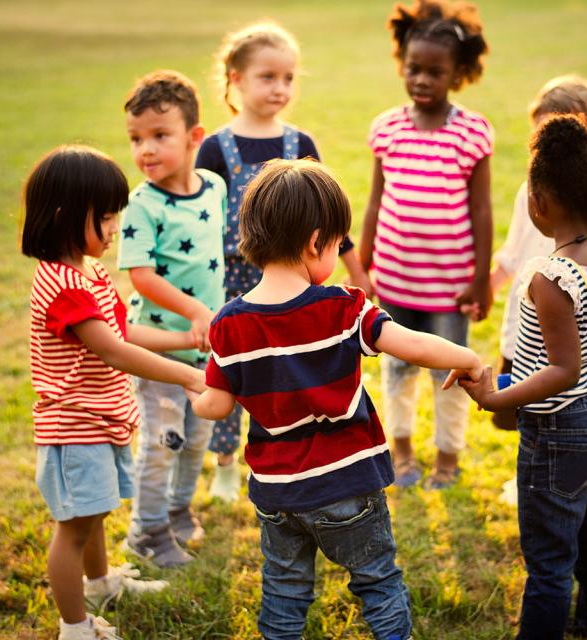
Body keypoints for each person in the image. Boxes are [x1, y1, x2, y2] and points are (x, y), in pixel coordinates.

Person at [191, 159, 482, 640]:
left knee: (284, 590)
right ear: (314, 242)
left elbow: (216, 406)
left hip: (279, 491)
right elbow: (408, 342)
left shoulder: (227, 324)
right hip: (348, 483)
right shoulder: (343, 307)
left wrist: (196, 392)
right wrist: (466, 356)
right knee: (378, 581)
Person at [456, 116, 587, 639]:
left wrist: (495, 396)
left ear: (539, 202)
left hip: (560, 429)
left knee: (549, 559)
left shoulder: (551, 278)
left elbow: (561, 372)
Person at [21, 145, 208, 640]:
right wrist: (187, 375)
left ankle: (101, 583)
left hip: (101, 420)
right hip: (75, 427)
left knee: (95, 512)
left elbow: (127, 334)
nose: (113, 230)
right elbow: (115, 353)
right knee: (75, 526)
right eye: (104, 218)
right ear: (64, 215)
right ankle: (75, 627)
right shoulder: (64, 286)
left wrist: (188, 339)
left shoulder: (89, 273)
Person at [195, 22, 371, 502]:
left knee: (289, 373)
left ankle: (295, 456)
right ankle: (227, 465)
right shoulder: (215, 148)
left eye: (289, 78)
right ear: (235, 78)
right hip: (235, 279)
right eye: (267, 77)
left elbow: (326, 215)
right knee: (234, 370)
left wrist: (355, 270)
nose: (280, 88)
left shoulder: (301, 143)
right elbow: (200, 222)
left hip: (297, 281)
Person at [359, 0, 493, 489]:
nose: (422, 79)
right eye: (414, 68)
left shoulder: (471, 133)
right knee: (396, 374)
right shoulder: (387, 128)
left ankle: (448, 459)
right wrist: (365, 269)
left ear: (458, 74)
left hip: (449, 287)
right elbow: (375, 203)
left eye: (435, 71)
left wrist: (480, 277)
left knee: (451, 373)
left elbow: (481, 210)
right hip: (394, 281)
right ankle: (402, 453)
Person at [486, 75, 587, 506]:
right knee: (519, 412)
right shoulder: (527, 190)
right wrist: (487, 288)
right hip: (527, 326)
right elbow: (513, 252)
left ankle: (572, 481)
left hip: (577, 333)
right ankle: (533, 474)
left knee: (567, 411)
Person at [118, 70, 227, 567]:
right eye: (136, 139)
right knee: (164, 442)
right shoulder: (141, 203)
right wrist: (195, 312)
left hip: (207, 352)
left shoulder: (215, 189)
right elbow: (140, 276)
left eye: (160, 136)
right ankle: (147, 530)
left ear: (194, 138)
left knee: (196, 439)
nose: (146, 150)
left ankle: (179, 512)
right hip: (160, 351)